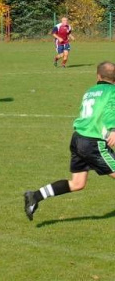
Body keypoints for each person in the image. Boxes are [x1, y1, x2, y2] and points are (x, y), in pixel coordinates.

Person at [24, 61, 115, 221]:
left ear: (98, 76)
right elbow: (109, 111)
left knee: (78, 183)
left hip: (78, 138)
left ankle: (35, 196)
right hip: (93, 142)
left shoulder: (90, 91)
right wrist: (113, 128)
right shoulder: (112, 92)